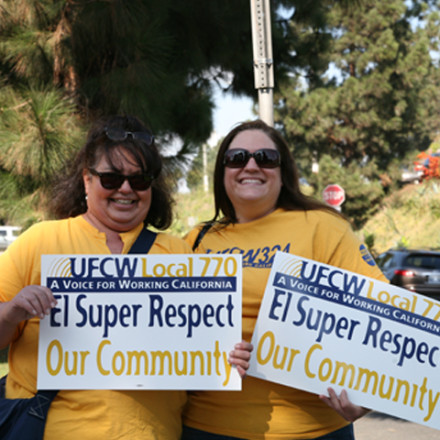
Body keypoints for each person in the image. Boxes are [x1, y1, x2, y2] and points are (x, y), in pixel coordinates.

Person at [0, 114, 250, 440]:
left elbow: (199, 357)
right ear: (87, 180)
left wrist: (227, 356)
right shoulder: (41, 241)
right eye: (111, 178)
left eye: (140, 179)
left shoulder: (178, 255)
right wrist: (15, 310)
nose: (126, 189)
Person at [183, 119, 388, 440]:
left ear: (284, 172)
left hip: (312, 431)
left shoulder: (324, 226)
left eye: (265, 158)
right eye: (237, 158)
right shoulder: (196, 240)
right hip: (207, 427)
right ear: (222, 172)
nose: (251, 165)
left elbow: (384, 314)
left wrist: (369, 395)